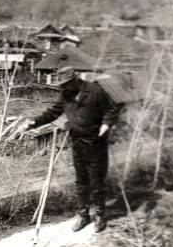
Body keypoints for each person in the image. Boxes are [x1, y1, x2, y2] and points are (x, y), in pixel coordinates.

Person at [18, 66, 123, 233]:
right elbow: (52, 113)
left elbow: (111, 109)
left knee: (97, 183)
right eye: (61, 85)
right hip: (78, 143)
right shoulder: (66, 95)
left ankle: (100, 215)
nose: (63, 88)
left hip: (96, 143)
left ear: (75, 80)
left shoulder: (95, 90)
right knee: (81, 183)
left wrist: (106, 124)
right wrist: (33, 123)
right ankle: (84, 215)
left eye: (65, 84)